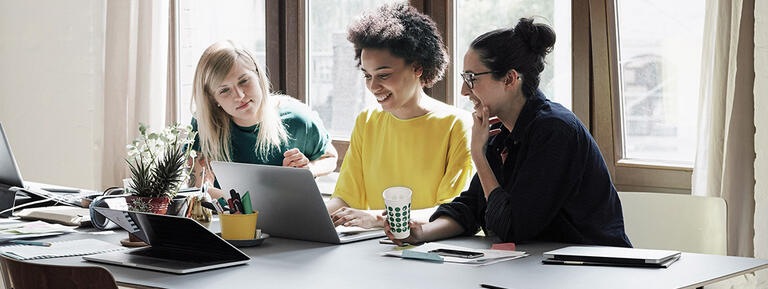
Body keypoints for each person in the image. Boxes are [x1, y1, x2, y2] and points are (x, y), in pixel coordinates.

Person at [385, 18, 632, 247]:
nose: (463, 90)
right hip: (542, 267)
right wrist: (419, 233)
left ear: (510, 79)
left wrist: (479, 157)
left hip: (595, 267)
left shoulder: (555, 131)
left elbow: (512, 228)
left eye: (471, 78)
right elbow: (472, 207)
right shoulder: (501, 132)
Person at [327, 3, 473, 229]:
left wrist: (378, 219)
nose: (373, 86)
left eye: (383, 75)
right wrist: (301, 216)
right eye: (367, 75)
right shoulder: (367, 122)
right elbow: (346, 199)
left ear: (417, 68)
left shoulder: (456, 124)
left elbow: (454, 211)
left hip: (434, 252)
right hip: (377, 249)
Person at [189, 40, 338, 199]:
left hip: (286, 217)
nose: (239, 96)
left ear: (258, 75)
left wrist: (307, 170)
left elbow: (330, 158)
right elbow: (200, 186)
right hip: (229, 219)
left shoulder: (298, 118)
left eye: (244, 81)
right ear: (213, 99)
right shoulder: (203, 124)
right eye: (225, 90)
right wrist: (252, 203)